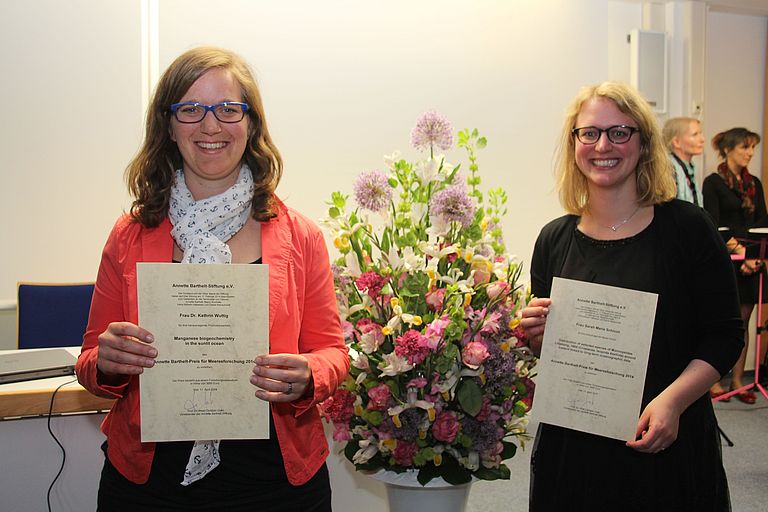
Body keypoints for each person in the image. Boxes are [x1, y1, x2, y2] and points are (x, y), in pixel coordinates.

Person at [75, 47, 349, 511]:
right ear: (168, 125)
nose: (210, 125)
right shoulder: (129, 234)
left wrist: (310, 374)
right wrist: (107, 360)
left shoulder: (300, 235)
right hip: (148, 484)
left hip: (276, 483)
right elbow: (89, 364)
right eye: (190, 109)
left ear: (251, 124)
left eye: (227, 108)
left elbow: (332, 352)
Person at [520, 81, 743, 511]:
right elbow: (553, 352)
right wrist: (537, 335)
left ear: (642, 144)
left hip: (664, 437)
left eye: (620, 132)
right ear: (575, 145)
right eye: (590, 133)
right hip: (575, 445)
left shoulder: (688, 229)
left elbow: (724, 336)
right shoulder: (554, 239)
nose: (603, 144)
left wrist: (672, 402)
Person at [702, 127, 764, 404]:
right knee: (721, 321)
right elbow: (712, 223)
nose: (749, 153)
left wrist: (757, 256)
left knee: (745, 322)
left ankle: (739, 381)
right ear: (728, 149)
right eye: (744, 147)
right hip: (726, 260)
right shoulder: (713, 182)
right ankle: (714, 381)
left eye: (752, 148)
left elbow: (762, 222)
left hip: (752, 260)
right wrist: (738, 252)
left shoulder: (755, 183)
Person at [662, 117, 704, 205]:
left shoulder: (689, 168)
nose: (702, 140)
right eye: (695, 135)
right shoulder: (668, 169)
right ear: (676, 142)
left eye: (700, 133)